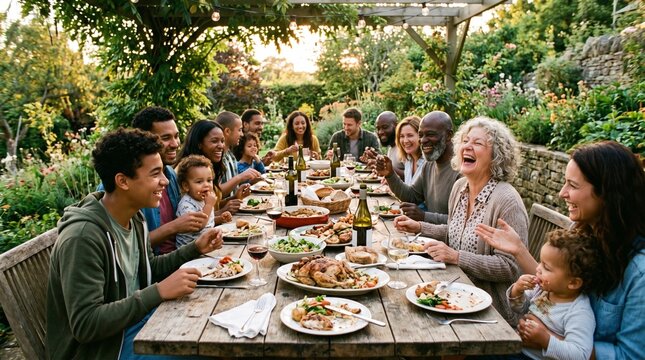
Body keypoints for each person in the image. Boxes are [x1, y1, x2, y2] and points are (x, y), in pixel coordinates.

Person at [47, 128, 224, 360]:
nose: (164, 181)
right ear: (123, 181)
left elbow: (148, 267)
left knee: (216, 325)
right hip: (103, 349)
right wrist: (158, 292)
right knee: (206, 350)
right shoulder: (83, 237)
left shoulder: (134, 217)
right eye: (155, 174)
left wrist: (195, 249)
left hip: (134, 326)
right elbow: (86, 324)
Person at [475, 141, 645, 359]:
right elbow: (558, 281)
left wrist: (551, 341)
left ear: (607, 193)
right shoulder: (582, 230)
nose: (562, 193)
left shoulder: (639, 271)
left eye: (573, 186)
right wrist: (518, 249)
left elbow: (631, 355)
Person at [394, 116, 528, 326]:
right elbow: (457, 233)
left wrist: (457, 257)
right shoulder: (460, 188)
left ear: (497, 155)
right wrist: (420, 227)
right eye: (465, 140)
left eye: (477, 143)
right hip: (454, 294)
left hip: (492, 315)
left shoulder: (506, 201)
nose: (467, 146)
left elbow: (510, 267)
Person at [101, 106, 208, 255]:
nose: (175, 144)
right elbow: (126, 247)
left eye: (176, 136)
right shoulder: (120, 188)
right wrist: (174, 227)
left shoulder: (170, 174)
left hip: (177, 256)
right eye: (166, 138)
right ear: (146, 140)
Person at [505, 229, 601, 360]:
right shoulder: (544, 290)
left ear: (573, 282)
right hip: (516, 349)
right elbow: (519, 307)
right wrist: (517, 290)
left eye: (546, 267)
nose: (538, 268)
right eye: (540, 262)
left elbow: (581, 355)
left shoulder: (579, 312)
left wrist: (545, 339)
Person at [373, 111, 461, 224]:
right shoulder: (429, 164)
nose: (423, 140)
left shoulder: (461, 170)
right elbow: (411, 196)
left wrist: (424, 216)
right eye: (421, 135)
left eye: (430, 134)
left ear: (449, 135)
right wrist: (390, 174)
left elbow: (461, 223)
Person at [177, 120, 251, 215]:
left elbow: (209, 205)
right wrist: (222, 212)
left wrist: (235, 198)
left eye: (222, 141)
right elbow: (192, 218)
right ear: (199, 143)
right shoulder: (186, 171)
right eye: (214, 141)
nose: (221, 146)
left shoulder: (209, 166)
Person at [175, 155, 231, 247]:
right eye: (199, 182)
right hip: (189, 251)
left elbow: (207, 222)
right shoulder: (186, 204)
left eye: (209, 180)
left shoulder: (204, 199)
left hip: (205, 246)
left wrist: (220, 218)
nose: (206, 185)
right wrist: (209, 205)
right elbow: (199, 226)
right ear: (186, 186)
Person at [216, 111, 261, 197]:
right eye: (239, 130)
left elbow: (233, 186)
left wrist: (250, 181)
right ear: (227, 131)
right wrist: (240, 177)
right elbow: (217, 193)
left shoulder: (230, 155)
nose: (242, 134)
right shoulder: (218, 157)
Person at [363, 111, 404, 178]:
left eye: (385, 127)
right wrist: (377, 160)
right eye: (378, 128)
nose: (380, 132)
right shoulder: (391, 147)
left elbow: (411, 176)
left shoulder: (404, 147)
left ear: (397, 126)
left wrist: (387, 168)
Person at [395, 116, 425, 184]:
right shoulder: (408, 160)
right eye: (402, 136)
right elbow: (408, 191)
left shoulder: (428, 163)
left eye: (410, 135)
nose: (405, 141)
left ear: (420, 136)